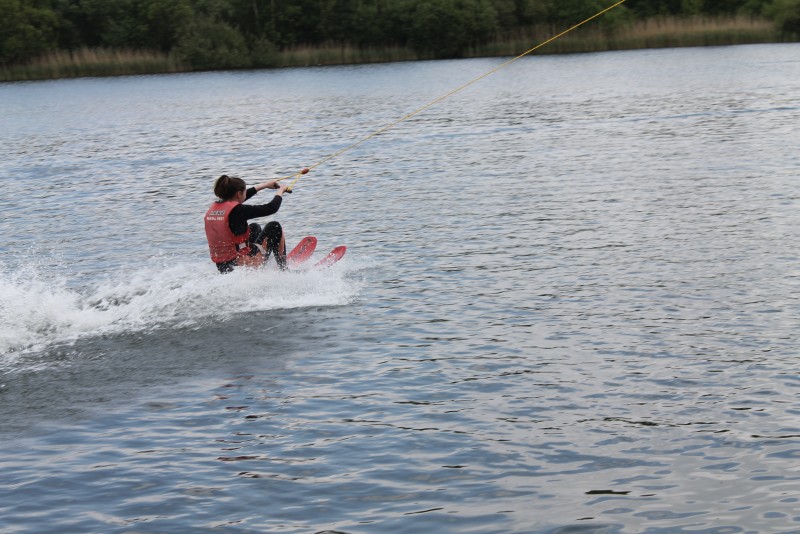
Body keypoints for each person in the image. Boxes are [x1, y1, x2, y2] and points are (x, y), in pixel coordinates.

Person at [204, 174, 289, 274]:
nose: (245, 194)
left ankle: (261, 255)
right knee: (274, 226)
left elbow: (241, 198)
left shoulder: (216, 207)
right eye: (244, 191)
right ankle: (283, 269)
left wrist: (265, 185)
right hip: (243, 265)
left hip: (224, 266)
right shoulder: (238, 210)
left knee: (254, 227)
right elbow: (271, 208)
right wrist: (280, 191)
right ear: (239, 194)